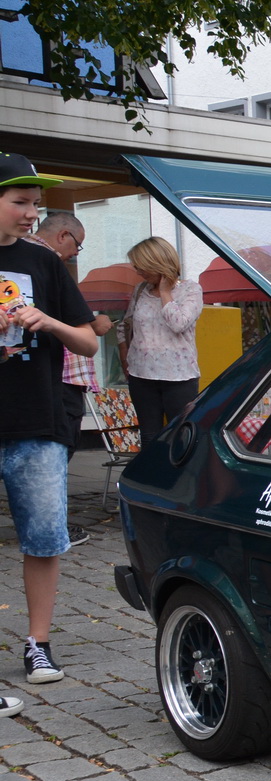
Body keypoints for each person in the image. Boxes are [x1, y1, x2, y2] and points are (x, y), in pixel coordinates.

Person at [0, 153, 100, 698]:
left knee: (44, 539)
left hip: (37, 421)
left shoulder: (44, 264)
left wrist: (49, 321)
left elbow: (88, 340)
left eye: (35, 204)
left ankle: (38, 641)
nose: (31, 214)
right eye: (20, 202)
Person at [30, 210, 112, 547]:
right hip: (61, 376)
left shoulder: (29, 260)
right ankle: (53, 524)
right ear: (63, 236)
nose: (77, 253)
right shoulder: (44, 262)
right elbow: (62, 322)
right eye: (78, 245)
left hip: (50, 376)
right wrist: (95, 324)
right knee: (58, 452)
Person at [121, 237, 202, 445]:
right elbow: (125, 325)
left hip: (179, 376)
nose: (138, 271)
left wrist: (165, 292)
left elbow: (178, 323)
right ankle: (151, 476)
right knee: (149, 436)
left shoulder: (190, 289)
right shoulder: (140, 291)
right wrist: (125, 359)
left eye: (142, 267)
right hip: (141, 374)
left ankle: (179, 478)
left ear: (156, 263)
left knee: (180, 436)